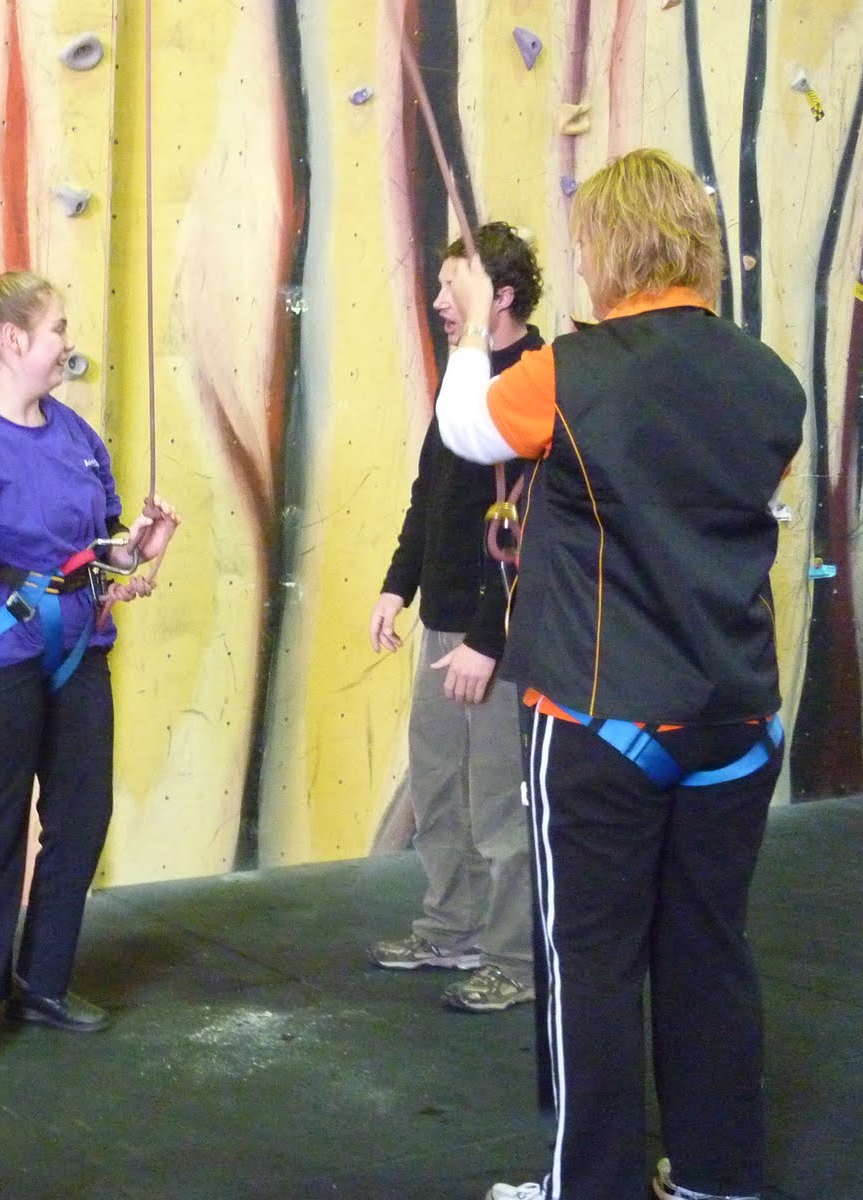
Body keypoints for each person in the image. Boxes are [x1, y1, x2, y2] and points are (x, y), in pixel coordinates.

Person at [434, 150, 805, 1200]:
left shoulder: (572, 372)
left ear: (606, 249)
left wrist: (470, 329)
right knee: (709, 950)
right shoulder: (770, 380)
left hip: (602, 723)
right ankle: (717, 1178)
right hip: (734, 720)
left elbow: (466, 429)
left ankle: (587, 1187)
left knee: (589, 964)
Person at [0, 262, 180, 1063]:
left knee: (82, 815)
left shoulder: (74, 436)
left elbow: (100, 548)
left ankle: (44, 981)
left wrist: (137, 548)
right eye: (57, 330)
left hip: (75, 649)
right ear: (12, 341)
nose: (67, 343)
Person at [368, 222, 544, 1013]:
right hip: (444, 624)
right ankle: (451, 930)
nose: (440, 301)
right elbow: (429, 495)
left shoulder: (535, 382)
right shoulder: (464, 376)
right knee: (439, 787)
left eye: (454, 287)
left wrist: (485, 638)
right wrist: (396, 588)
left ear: (499, 296)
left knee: (500, 803)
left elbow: (531, 532)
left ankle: (513, 958)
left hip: (494, 637)